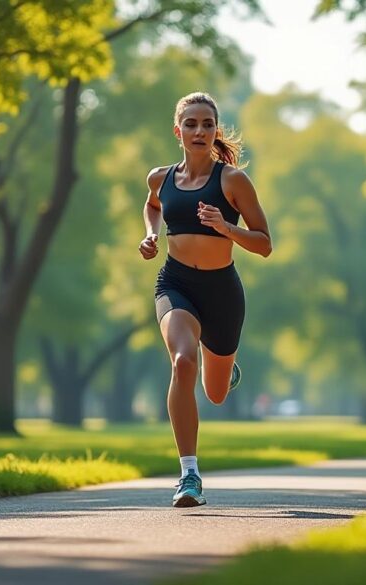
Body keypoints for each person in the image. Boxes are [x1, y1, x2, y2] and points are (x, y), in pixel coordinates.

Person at [139, 92, 272, 507]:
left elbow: (265, 243)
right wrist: (151, 234)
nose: (199, 131)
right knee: (182, 361)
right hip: (175, 283)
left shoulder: (232, 181)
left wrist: (226, 228)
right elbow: (152, 205)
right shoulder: (160, 178)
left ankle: (225, 367)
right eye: (191, 124)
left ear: (216, 131)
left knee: (214, 393)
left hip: (221, 292)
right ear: (177, 131)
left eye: (207, 124)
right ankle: (189, 475)